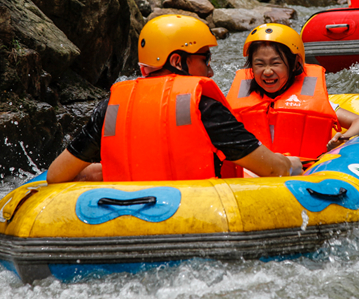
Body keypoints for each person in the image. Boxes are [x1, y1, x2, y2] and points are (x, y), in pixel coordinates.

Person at [46, 15, 302, 184]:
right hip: (196, 218)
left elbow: (56, 175)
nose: (211, 71)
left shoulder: (110, 107)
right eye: (205, 59)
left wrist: (99, 174)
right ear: (178, 61)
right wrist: (289, 163)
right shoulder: (203, 106)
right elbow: (271, 170)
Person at [226, 24, 359, 161]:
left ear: (295, 64)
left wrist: (343, 139)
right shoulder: (233, 107)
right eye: (259, 64)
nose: (268, 71)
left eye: (276, 63)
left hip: (305, 169)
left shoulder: (313, 101)